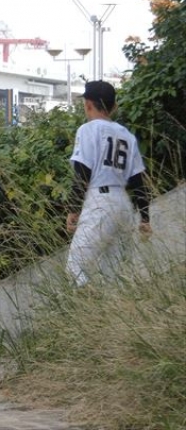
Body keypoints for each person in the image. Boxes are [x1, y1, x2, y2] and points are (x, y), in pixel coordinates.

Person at [66, 80, 152, 286]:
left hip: (100, 201)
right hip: (123, 203)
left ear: (88, 104)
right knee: (114, 277)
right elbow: (138, 180)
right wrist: (145, 217)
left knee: (75, 267)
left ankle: (87, 302)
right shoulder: (126, 135)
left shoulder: (88, 130)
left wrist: (73, 209)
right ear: (114, 106)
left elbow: (82, 172)